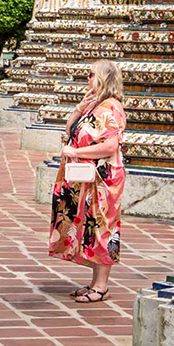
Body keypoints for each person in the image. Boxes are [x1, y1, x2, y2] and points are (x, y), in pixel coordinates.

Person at [49, 59, 127, 304]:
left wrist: (76, 153)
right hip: (86, 177)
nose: (88, 80)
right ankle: (95, 282)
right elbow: (70, 131)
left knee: (103, 226)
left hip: (102, 179)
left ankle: (102, 285)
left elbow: (111, 145)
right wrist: (78, 110)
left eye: (91, 75)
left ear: (104, 78)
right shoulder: (95, 106)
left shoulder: (111, 107)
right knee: (89, 227)